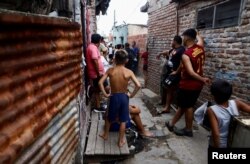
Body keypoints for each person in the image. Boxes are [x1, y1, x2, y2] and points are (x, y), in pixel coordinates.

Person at [166, 29, 210, 137]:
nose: (182, 39)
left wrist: (202, 79)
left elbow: (190, 72)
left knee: (188, 106)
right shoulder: (200, 47)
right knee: (183, 105)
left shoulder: (186, 54)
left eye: (184, 36)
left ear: (187, 38)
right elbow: (200, 40)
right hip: (197, 86)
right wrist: (176, 72)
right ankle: (171, 124)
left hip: (188, 85)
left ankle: (188, 130)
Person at [99, 50, 141, 147]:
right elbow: (138, 85)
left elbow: (100, 82)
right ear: (126, 60)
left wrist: (105, 94)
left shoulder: (110, 70)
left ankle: (105, 135)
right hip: (124, 97)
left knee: (109, 117)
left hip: (113, 96)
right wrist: (131, 95)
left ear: (115, 59)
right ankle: (120, 141)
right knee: (123, 120)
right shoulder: (129, 72)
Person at [207, 79, 250, 148]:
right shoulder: (237, 103)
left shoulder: (211, 110)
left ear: (214, 95)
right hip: (233, 142)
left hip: (219, 144)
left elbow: (216, 134)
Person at [156, 36, 185, 113]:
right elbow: (167, 52)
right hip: (169, 73)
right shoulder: (173, 49)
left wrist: (177, 72)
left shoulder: (181, 50)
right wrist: (160, 53)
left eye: (172, 41)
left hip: (175, 74)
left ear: (175, 41)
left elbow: (183, 62)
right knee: (169, 89)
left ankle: (168, 107)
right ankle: (167, 105)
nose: (171, 42)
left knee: (170, 89)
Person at [86, 34, 107, 111]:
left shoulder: (92, 47)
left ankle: (98, 105)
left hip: (97, 73)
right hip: (97, 74)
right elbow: (95, 60)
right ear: (99, 40)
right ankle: (98, 106)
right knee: (103, 88)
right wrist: (98, 73)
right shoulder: (93, 48)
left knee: (98, 90)